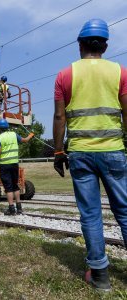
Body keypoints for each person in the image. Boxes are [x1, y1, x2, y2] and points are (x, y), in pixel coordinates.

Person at [53, 18, 127, 292]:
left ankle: (100, 277)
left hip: (81, 154)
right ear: (105, 45)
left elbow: (60, 116)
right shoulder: (120, 73)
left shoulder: (65, 75)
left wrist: (59, 151)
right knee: (125, 212)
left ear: (80, 45)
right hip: (113, 151)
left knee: (91, 215)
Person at [0, 119, 34, 215]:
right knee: (15, 185)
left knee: (8, 187)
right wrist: (30, 136)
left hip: (5, 165)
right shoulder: (14, 135)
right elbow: (25, 140)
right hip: (15, 164)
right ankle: (19, 208)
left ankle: (11, 209)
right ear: (7, 127)